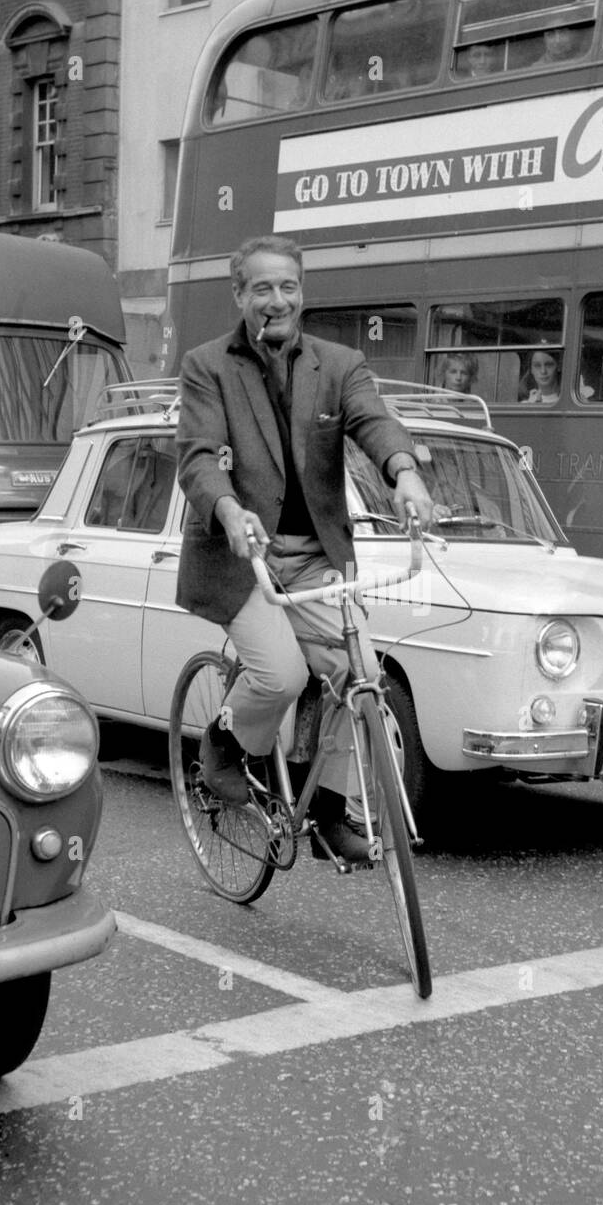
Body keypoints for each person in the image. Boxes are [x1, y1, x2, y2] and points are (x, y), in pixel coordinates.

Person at [175, 234, 434, 862]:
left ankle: (328, 811)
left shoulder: (338, 364)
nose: (276, 299)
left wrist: (404, 472)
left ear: (301, 294)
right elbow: (199, 457)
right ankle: (225, 743)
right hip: (244, 556)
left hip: (316, 557)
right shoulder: (207, 366)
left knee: (361, 674)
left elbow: (373, 420)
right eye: (261, 288)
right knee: (283, 674)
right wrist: (229, 510)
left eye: (287, 286)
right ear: (239, 295)